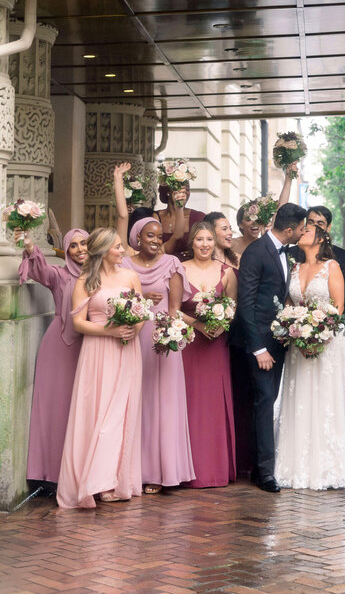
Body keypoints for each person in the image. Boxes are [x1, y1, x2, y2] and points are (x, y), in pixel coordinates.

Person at [56, 229, 145, 508]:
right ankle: (93, 481)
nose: (123, 251)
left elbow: (141, 313)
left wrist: (133, 329)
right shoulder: (85, 280)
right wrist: (110, 330)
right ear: (104, 250)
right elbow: (78, 323)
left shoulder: (130, 276)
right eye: (118, 247)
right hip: (97, 352)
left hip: (127, 351)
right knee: (98, 415)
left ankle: (114, 481)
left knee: (121, 413)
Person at [231, 202, 308, 492]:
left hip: (277, 341)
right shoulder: (256, 252)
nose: (303, 233)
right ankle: (265, 473)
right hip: (258, 344)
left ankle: (254, 466)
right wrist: (258, 348)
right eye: (301, 228)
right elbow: (246, 304)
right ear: (289, 229)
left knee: (266, 401)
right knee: (264, 402)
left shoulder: (287, 252)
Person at [118, 211, 195, 495]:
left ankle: (161, 473)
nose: (155, 240)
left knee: (163, 404)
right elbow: (117, 302)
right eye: (149, 235)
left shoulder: (172, 264)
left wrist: (181, 331)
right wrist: (139, 300)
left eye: (159, 236)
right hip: (134, 338)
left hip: (163, 340)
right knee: (137, 402)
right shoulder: (124, 265)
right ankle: (132, 470)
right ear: (137, 238)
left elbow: (174, 310)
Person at [274, 222, 345, 489]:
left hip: (326, 343)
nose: (301, 232)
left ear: (319, 238)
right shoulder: (294, 267)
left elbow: (338, 306)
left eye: (307, 230)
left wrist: (319, 333)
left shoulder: (332, 267)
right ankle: (294, 468)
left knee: (323, 400)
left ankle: (325, 469)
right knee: (299, 399)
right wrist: (292, 327)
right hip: (297, 343)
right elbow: (288, 304)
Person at [16, 226, 88, 486]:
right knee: (55, 408)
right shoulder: (60, 275)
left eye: (84, 243)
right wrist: (29, 246)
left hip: (90, 347)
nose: (80, 249)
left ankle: (80, 473)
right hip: (58, 347)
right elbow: (40, 270)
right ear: (67, 251)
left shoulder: (101, 277)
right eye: (74, 245)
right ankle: (49, 475)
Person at [179, 219, 239, 488]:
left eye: (209, 240)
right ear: (192, 242)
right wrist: (198, 324)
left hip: (216, 345)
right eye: (200, 239)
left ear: (215, 243)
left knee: (213, 403)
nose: (205, 244)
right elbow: (172, 310)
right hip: (190, 344)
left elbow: (234, 307)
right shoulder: (178, 270)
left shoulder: (227, 272)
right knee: (189, 402)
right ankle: (185, 470)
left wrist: (220, 323)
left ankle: (214, 469)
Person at [307, 204, 345, 277]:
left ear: (328, 227)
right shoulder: (292, 252)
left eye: (320, 224)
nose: (314, 227)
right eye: (310, 222)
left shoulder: (341, 255)